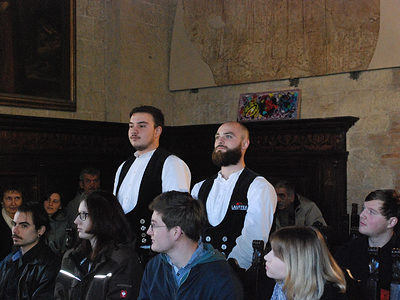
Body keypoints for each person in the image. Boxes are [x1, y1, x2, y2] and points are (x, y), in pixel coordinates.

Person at [191, 121, 277, 270]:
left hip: (238, 275)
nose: (220, 141)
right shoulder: (199, 187)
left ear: (244, 144)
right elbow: (191, 232)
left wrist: (227, 269)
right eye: (217, 137)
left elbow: (254, 238)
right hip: (198, 270)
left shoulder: (259, 186)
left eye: (228, 136)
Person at [113, 105, 191, 255]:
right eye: (131, 126)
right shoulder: (123, 167)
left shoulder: (171, 163)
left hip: (155, 254)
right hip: (122, 252)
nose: (134, 131)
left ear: (157, 131)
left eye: (142, 126)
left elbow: (178, 215)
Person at [138, 191, 243, 300]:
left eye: (154, 225)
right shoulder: (154, 267)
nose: (149, 231)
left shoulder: (221, 279)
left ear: (176, 232)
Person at [55, 190, 143, 300]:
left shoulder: (123, 260)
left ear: (101, 217)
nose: (76, 221)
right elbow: (60, 295)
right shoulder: (72, 257)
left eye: (83, 215)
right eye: (78, 214)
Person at [335, 189, 400, 298]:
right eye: (364, 209)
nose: (362, 215)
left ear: (391, 222)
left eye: (371, 212)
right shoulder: (348, 251)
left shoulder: (396, 253)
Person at [265, 226, 346, 300]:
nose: (266, 257)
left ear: (298, 262)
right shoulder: (277, 285)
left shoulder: (330, 295)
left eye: (276, 254)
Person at [0, 202, 60, 299]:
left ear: (40, 230)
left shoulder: (49, 266)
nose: (15, 230)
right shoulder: (11, 258)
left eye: (24, 226)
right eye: (14, 224)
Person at [0, 186, 23, 260]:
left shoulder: (30, 220)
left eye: (17, 198)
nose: (13, 203)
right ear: (2, 202)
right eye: (9, 198)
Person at [43, 191, 68, 256]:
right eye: (48, 200)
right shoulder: (36, 219)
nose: (50, 204)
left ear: (60, 206)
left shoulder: (65, 224)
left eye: (55, 201)